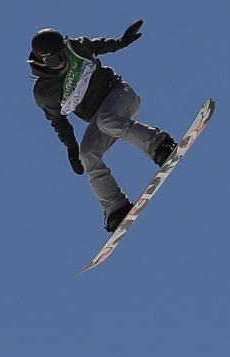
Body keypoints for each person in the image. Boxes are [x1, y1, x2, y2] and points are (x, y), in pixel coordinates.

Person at [28, 20, 176, 232]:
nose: (63, 62)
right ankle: (116, 206)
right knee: (87, 153)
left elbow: (98, 46)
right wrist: (71, 148)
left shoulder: (75, 49)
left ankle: (160, 145)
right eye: (56, 61)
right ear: (42, 63)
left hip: (121, 96)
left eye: (63, 54)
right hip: (103, 121)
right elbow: (58, 121)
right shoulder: (44, 92)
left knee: (106, 119)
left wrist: (122, 42)